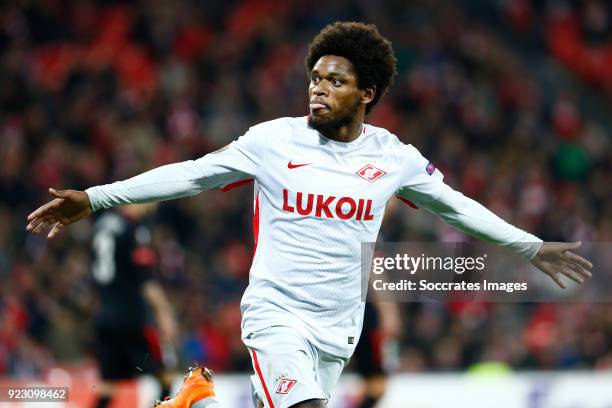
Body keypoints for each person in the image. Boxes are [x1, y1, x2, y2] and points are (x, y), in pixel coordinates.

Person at [26, 21, 592, 408]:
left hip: (338, 331)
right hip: (277, 315)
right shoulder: (273, 142)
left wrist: (529, 246)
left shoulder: (394, 158)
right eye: (315, 78)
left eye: (335, 81)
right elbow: (192, 174)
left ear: (366, 92)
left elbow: (457, 208)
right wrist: (98, 197)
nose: (318, 90)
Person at [90, 203, 179, 408]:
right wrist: (165, 314)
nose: (152, 205)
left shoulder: (101, 225)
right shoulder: (136, 229)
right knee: (165, 375)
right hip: (132, 317)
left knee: (107, 385)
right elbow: (145, 280)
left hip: (105, 315)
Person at [352, 302, 400, 408]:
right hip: (369, 328)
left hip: (355, 325)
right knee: (378, 385)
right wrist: (388, 312)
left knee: (372, 383)